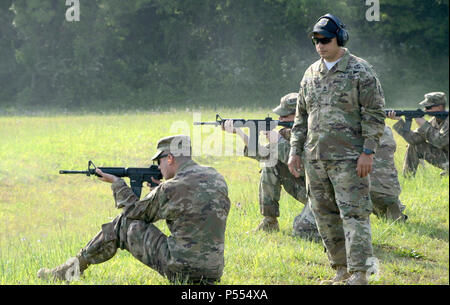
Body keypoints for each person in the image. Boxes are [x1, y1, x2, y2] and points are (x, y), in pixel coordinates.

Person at [37, 135, 231, 284]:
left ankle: (67, 272)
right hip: (213, 271)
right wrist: (157, 193)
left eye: (159, 162)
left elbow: (132, 214)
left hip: (182, 269)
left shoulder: (170, 188)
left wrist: (117, 184)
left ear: (170, 158)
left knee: (122, 224)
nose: (158, 167)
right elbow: (192, 212)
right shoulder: (217, 177)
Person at [287, 14, 386, 285]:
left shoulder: (360, 71)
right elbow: (300, 117)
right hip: (316, 160)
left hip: (350, 160)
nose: (320, 45)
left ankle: (359, 273)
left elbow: (375, 114)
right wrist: (295, 151)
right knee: (325, 216)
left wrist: (368, 151)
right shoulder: (310, 74)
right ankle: (340, 269)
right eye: (315, 41)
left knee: (354, 215)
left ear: (340, 39)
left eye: (325, 40)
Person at [222, 93, 319, 240]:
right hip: (306, 189)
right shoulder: (286, 133)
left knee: (302, 232)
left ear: (299, 115)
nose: (280, 120)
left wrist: (279, 142)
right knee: (270, 162)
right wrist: (240, 133)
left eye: (284, 116)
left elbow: (307, 167)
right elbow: (263, 154)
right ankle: (269, 221)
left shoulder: (315, 134)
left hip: (322, 194)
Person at [388, 92, 449, 176]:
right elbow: (414, 140)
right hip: (445, 157)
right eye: (424, 107)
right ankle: (408, 179)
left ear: (440, 107)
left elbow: (440, 142)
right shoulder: (434, 121)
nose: (425, 110)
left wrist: (424, 125)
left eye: (428, 107)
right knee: (415, 146)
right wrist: (399, 122)